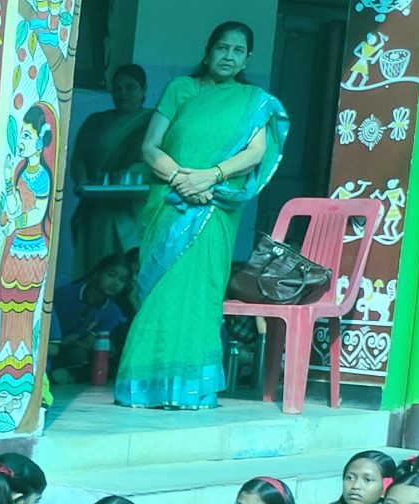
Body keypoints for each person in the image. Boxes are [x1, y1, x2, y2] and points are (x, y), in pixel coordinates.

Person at [113, 21, 289, 410]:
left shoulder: (252, 100)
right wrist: (182, 179)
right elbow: (150, 147)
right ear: (208, 52)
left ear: (247, 59)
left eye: (238, 51)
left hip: (214, 207)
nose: (229, 56)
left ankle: (191, 388)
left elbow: (255, 152)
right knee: (161, 293)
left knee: (200, 296)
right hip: (171, 203)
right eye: (222, 48)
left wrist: (212, 176)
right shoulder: (181, 88)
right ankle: (144, 385)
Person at [70, 66, 158, 274]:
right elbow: (79, 158)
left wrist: (128, 175)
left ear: (144, 90)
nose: (123, 93)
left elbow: (155, 160)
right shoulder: (96, 122)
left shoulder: (152, 121)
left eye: (130, 87)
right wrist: (83, 182)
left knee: (128, 269)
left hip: (132, 209)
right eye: (117, 88)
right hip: (97, 207)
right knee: (98, 268)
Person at [51, 253, 139, 380]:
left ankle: (70, 375)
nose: (116, 283)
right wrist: (60, 341)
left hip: (71, 350)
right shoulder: (65, 294)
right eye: (111, 275)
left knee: (82, 355)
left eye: (122, 280)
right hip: (49, 346)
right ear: (98, 273)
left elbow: (90, 341)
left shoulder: (112, 311)